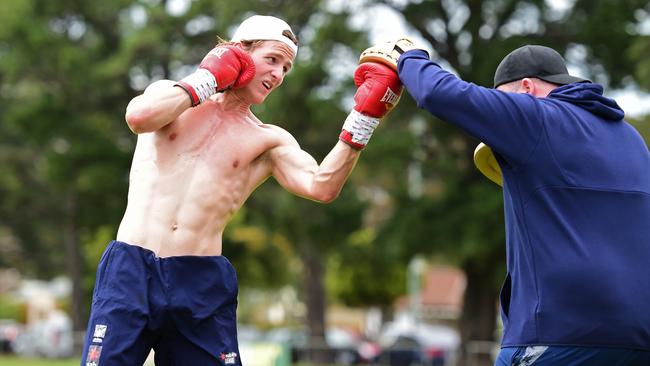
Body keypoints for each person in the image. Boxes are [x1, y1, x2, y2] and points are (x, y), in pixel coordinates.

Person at [80, 15, 402, 366]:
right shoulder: (168, 95)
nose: (279, 75)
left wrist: (363, 119)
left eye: (286, 68)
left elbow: (321, 186)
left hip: (199, 280)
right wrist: (208, 78)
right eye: (273, 60)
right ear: (240, 53)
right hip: (131, 268)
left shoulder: (267, 138)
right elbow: (139, 118)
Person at [364, 41, 650, 365]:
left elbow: (438, 94)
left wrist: (407, 58)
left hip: (557, 336)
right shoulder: (631, 140)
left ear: (527, 88)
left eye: (501, 98)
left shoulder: (537, 118)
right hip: (638, 339)